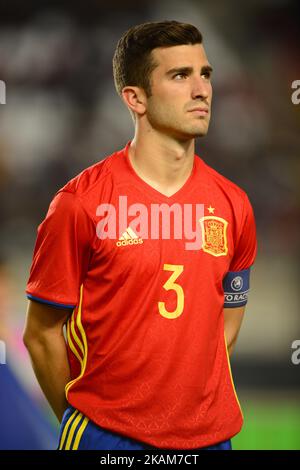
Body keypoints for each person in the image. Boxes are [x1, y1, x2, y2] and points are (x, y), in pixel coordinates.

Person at [23, 20, 257, 451]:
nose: (202, 89)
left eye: (205, 74)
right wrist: (89, 424)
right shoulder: (80, 204)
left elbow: (226, 322)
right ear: (136, 98)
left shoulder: (233, 205)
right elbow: (40, 335)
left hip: (211, 440)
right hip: (107, 440)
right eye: (180, 75)